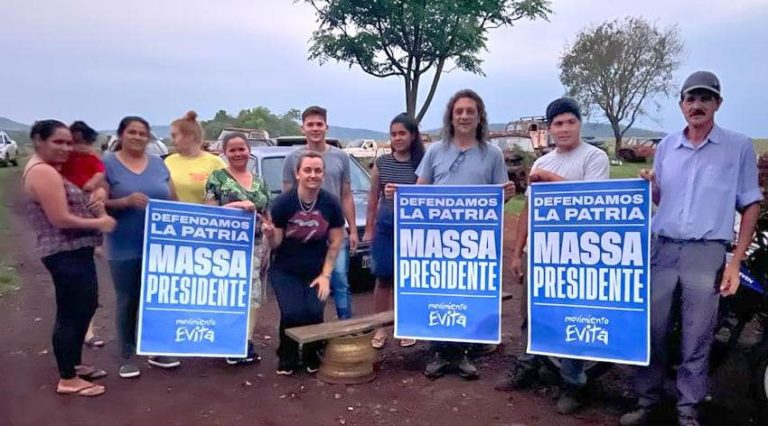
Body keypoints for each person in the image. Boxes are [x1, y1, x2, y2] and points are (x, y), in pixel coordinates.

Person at [620, 71, 762, 426]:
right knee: (652, 329)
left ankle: (688, 409)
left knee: (697, 334)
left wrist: (735, 262)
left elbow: (751, 205)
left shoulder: (738, 146)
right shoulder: (667, 145)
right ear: (681, 103)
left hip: (707, 252)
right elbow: (661, 199)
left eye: (705, 98)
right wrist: (649, 186)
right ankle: (647, 400)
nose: (697, 105)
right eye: (690, 98)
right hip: (663, 248)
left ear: (718, 104)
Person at [386, 89, 515, 380]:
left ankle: (463, 355)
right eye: (459, 111)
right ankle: (440, 354)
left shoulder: (492, 154)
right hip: (438, 240)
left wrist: (508, 194)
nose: (465, 116)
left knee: (467, 294)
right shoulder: (435, 151)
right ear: (451, 116)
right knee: (438, 292)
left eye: (470, 111)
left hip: (475, 242)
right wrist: (399, 194)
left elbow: (500, 197)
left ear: (479, 116)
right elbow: (420, 191)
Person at [494, 98, 610, 414]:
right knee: (531, 313)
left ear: (579, 124)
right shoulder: (541, 163)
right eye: (558, 123)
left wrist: (550, 180)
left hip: (576, 255)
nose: (564, 128)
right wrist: (517, 253)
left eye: (570, 122)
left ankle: (573, 382)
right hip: (540, 253)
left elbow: (593, 203)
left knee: (569, 318)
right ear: (549, 128)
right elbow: (529, 211)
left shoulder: (594, 158)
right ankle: (528, 365)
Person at [22, 120, 116, 397]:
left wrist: (96, 198)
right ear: (39, 140)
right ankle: (67, 378)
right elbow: (60, 219)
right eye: (58, 142)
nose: (66, 148)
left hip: (74, 251)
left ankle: (74, 365)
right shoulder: (42, 172)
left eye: (68, 142)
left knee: (84, 307)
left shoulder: (50, 169)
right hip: (64, 252)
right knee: (71, 314)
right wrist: (100, 223)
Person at [104, 116, 179, 378]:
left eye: (142, 133)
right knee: (128, 300)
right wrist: (124, 202)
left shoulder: (159, 164)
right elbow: (97, 203)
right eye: (132, 132)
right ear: (121, 135)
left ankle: (156, 350)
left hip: (159, 247)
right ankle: (127, 354)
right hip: (123, 244)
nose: (137, 137)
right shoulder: (107, 163)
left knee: (157, 299)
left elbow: (174, 201)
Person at [266, 151, 345, 375]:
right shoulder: (284, 203)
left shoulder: (330, 203)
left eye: (317, 170)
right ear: (297, 174)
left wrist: (326, 276)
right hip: (285, 268)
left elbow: (336, 241)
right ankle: (288, 356)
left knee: (313, 312)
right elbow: (275, 244)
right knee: (292, 312)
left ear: (323, 173)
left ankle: (312, 354)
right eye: (307, 170)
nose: (313, 175)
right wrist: (270, 235)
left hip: (317, 269)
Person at [282, 106, 357, 320]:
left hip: (335, 231)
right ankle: (315, 331)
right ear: (303, 128)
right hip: (306, 234)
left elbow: (346, 195)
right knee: (313, 283)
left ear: (326, 127)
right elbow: (288, 197)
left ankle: (346, 329)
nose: (315, 128)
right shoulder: (292, 159)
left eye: (319, 124)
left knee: (340, 280)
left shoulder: (341, 157)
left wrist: (352, 229)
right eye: (310, 125)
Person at [204, 132, 270, 366]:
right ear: (224, 152)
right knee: (231, 295)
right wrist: (239, 205)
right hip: (228, 249)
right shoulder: (217, 178)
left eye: (242, 148)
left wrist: (269, 227)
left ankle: (245, 342)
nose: (238, 153)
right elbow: (210, 213)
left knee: (254, 296)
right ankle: (230, 341)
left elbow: (265, 213)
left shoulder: (259, 180)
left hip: (258, 245)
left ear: (249, 150)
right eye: (232, 149)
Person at [364, 113, 424, 349]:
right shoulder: (382, 163)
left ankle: (406, 325)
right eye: (393, 134)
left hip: (414, 229)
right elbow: (372, 199)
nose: (397, 138)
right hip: (385, 227)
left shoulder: (422, 162)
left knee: (409, 278)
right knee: (383, 277)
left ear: (413, 135)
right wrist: (369, 229)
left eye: (402, 133)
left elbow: (428, 193)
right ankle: (380, 328)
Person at [61, 120, 107, 348]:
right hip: (66, 220)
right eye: (74, 143)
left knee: (87, 288)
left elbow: (100, 175)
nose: (79, 147)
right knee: (75, 288)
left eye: (83, 142)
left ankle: (87, 331)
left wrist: (94, 185)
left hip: (86, 213)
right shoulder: (61, 162)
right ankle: (79, 335)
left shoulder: (92, 160)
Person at [165, 111, 226, 204]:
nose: (172, 141)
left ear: (189, 136)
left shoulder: (215, 163)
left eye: (174, 136)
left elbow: (229, 195)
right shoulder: (168, 161)